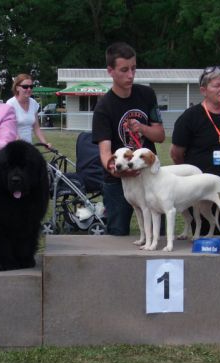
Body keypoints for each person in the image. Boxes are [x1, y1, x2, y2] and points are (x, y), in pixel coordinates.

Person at [92, 42, 165, 235]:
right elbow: (105, 153)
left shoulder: (147, 94)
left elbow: (160, 136)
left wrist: (141, 127)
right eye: (124, 70)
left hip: (150, 176)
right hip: (118, 183)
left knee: (159, 233)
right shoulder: (103, 107)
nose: (131, 75)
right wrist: (118, 170)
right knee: (118, 234)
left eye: (133, 68)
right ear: (110, 71)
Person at [171, 66, 220, 234]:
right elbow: (176, 154)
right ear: (203, 90)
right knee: (203, 240)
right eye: (217, 85)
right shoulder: (190, 117)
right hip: (201, 189)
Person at [6, 73, 51, 148]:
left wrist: (45, 143)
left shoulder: (34, 103)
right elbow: (11, 130)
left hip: (27, 146)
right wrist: (23, 147)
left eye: (31, 86)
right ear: (17, 88)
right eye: (25, 87)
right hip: (13, 147)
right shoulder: (10, 104)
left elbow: (36, 128)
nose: (29, 89)